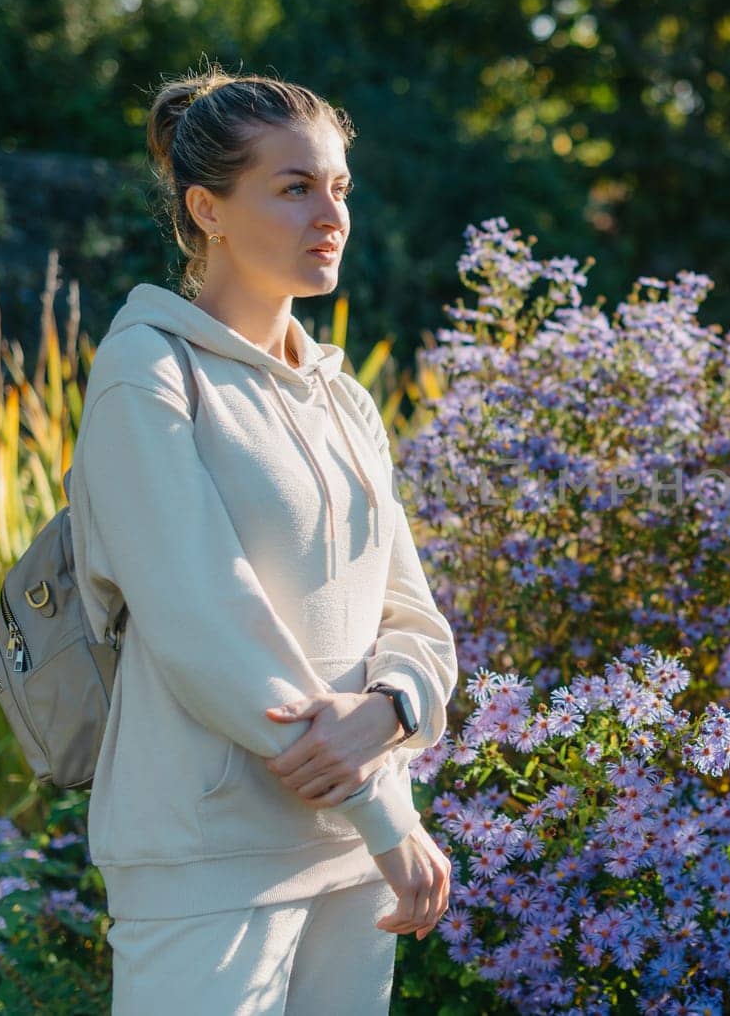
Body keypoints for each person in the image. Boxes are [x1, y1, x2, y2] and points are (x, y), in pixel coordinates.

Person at [68, 65, 457, 1015]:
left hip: (355, 857)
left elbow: (412, 615)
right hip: (210, 858)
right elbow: (206, 621)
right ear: (207, 208)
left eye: (339, 188)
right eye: (294, 188)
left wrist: (394, 712)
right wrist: (376, 807)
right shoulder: (146, 372)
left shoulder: (344, 398)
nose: (331, 215)